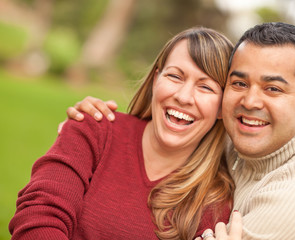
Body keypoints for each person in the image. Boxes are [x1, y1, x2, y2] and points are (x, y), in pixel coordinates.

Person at [66, 22, 295, 240]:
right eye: (240, 83)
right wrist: (92, 133)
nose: (250, 101)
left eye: (273, 88)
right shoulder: (241, 134)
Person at [9, 27, 237, 240]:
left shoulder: (215, 202)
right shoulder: (94, 127)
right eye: (175, 76)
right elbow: (38, 217)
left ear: (221, 107)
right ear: (156, 79)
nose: (184, 96)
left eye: (205, 87)